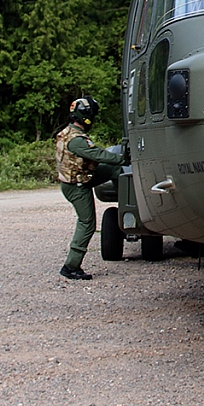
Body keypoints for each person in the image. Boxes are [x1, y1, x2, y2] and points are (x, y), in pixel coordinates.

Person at [55, 95, 125, 280]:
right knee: (87, 224)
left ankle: (127, 203)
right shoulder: (77, 140)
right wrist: (122, 157)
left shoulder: (69, 132)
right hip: (77, 186)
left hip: (79, 178)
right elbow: (99, 155)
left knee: (114, 169)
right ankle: (71, 266)